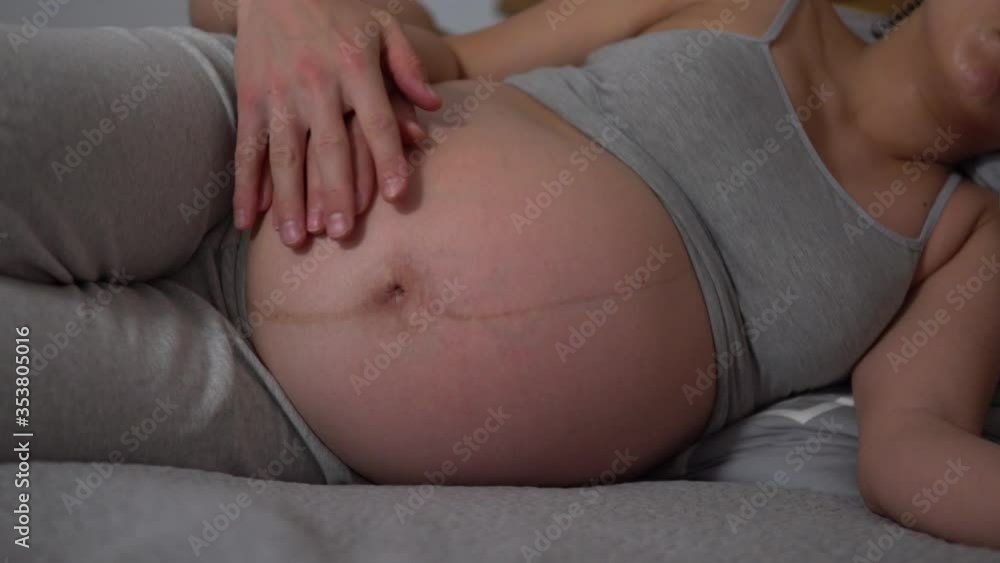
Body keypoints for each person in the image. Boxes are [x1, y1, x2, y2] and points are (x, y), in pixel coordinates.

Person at [0, 0, 997, 550]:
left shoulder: (968, 239)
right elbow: (449, 54)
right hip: (236, 142)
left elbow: (913, 451)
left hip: (284, 423)